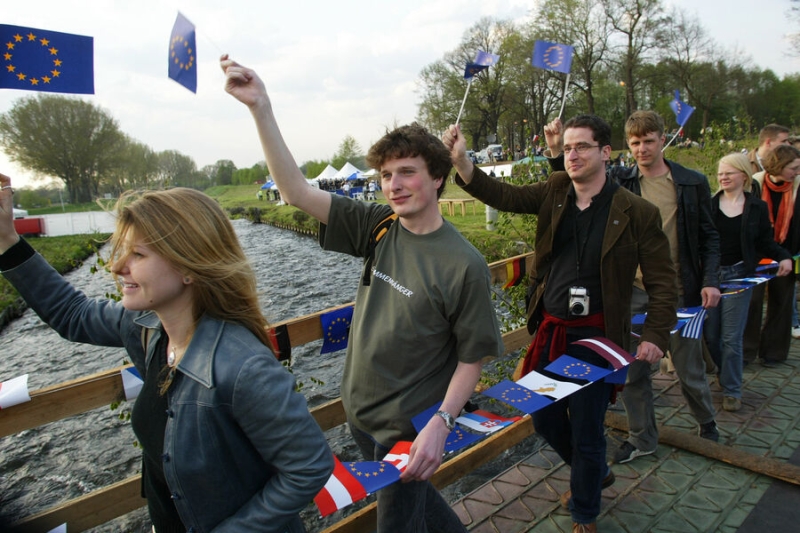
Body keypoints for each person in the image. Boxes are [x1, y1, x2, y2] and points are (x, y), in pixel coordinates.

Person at [221, 55, 503, 533]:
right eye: (386, 176)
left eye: (407, 173)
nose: (394, 186)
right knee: (423, 512)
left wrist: (442, 424)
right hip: (360, 416)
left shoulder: (464, 265)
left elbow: (473, 357)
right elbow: (295, 192)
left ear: (437, 177)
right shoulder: (379, 226)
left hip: (407, 431)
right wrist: (260, 108)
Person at [0, 176, 333, 533]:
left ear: (189, 266)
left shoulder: (243, 367)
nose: (116, 267)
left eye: (138, 254)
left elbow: (309, 466)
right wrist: (7, 239)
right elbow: (73, 316)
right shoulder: (146, 328)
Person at [443, 115, 677, 533]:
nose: (572, 154)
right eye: (568, 148)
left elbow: (663, 282)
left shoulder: (637, 212)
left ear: (605, 153)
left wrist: (657, 335)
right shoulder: (554, 192)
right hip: (552, 329)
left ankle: (585, 510)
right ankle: (595, 472)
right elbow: (505, 196)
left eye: (582, 147)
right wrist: (463, 163)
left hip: (598, 338)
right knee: (543, 417)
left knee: (587, 429)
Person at [546, 110, 722, 459]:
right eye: (636, 143)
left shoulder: (690, 182)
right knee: (632, 371)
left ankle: (707, 421)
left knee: (688, 368)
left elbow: (709, 236)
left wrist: (710, 280)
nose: (642, 149)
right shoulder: (624, 184)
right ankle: (643, 438)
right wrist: (556, 154)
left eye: (649, 141)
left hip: (678, 292)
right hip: (631, 292)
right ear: (626, 146)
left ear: (663, 140)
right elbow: (571, 187)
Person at [706, 153, 792, 411]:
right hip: (711, 277)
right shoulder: (709, 206)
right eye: (720, 173)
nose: (723, 177)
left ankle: (732, 389)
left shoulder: (756, 207)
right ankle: (724, 371)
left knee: (732, 337)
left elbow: (765, 241)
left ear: (743, 175)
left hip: (739, 277)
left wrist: (784, 257)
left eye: (729, 172)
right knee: (711, 337)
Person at [748, 144, 800, 365]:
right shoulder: (755, 183)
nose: (797, 172)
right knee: (752, 301)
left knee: (782, 301)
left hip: (789, 251)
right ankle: (746, 351)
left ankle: (773, 353)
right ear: (779, 166)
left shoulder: (798, 186)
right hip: (757, 252)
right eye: (794, 167)